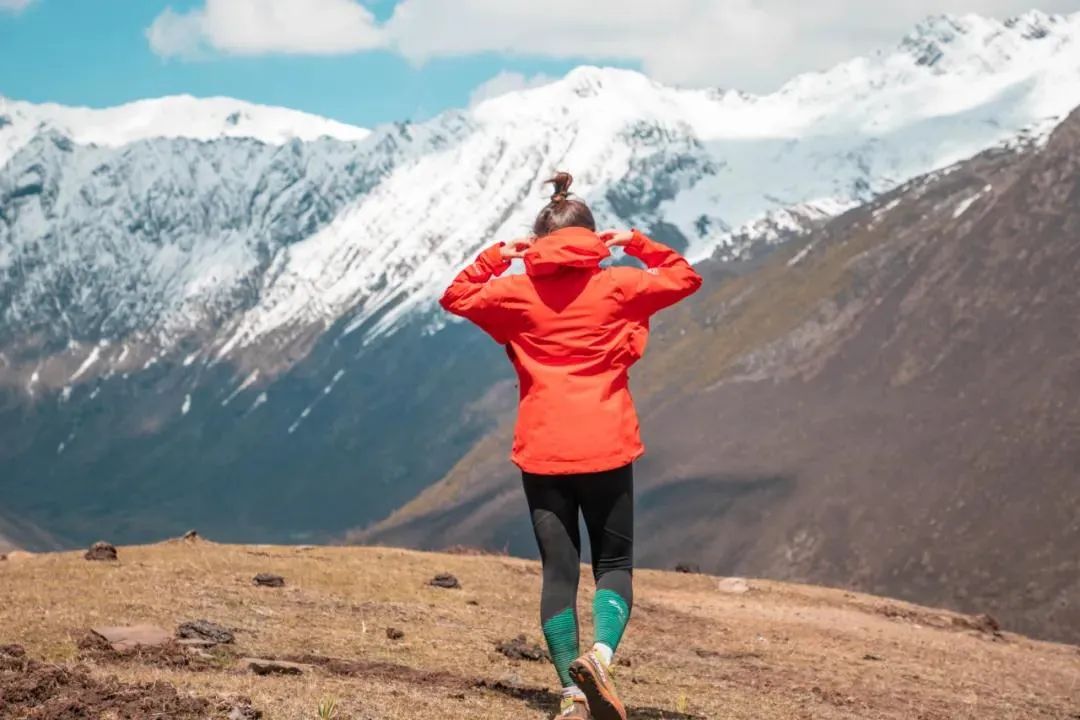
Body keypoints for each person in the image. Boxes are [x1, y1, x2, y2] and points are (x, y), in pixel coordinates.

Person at [440, 172, 702, 720]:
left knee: (559, 570)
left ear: (537, 242)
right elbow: (684, 277)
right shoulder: (620, 284)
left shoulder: (515, 291)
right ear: (591, 237)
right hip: (607, 443)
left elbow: (455, 296)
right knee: (614, 562)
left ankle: (572, 695)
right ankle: (600, 658)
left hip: (542, 449)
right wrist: (632, 241)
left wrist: (496, 257)